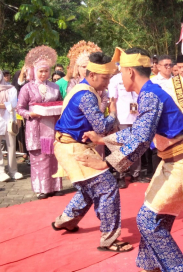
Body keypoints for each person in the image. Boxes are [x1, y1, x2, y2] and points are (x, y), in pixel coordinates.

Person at [79, 47, 183, 272]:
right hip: (175, 161)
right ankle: (154, 265)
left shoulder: (150, 95)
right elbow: (138, 132)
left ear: (129, 71)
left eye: (119, 73)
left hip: (181, 163)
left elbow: (140, 138)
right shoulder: (149, 93)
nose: (118, 79)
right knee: (155, 215)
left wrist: (108, 165)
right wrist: (104, 139)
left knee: (148, 220)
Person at [51, 52, 133, 252]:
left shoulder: (81, 89)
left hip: (68, 145)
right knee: (107, 186)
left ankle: (67, 220)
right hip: (73, 148)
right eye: (105, 78)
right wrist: (113, 114)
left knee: (90, 187)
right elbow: (102, 127)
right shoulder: (87, 95)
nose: (107, 83)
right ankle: (109, 239)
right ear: (93, 75)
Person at [17, 46, 63, 199]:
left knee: (52, 156)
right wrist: (30, 114)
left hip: (51, 127)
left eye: (46, 71)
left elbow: (59, 104)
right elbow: (19, 108)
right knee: (39, 158)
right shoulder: (27, 88)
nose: (43, 74)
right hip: (35, 128)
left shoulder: (55, 87)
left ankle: (54, 186)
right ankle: (41, 188)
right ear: (34, 71)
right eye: (40, 71)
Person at [108, 66, 141, 188]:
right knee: (119, 147)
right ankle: (120, 175)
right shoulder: (115, 79)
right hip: (122, 117)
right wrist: (114, 118)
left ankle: (136, 174)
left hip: (137, 117)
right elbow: (112, 100)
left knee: (137, 145)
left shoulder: (138, 76)